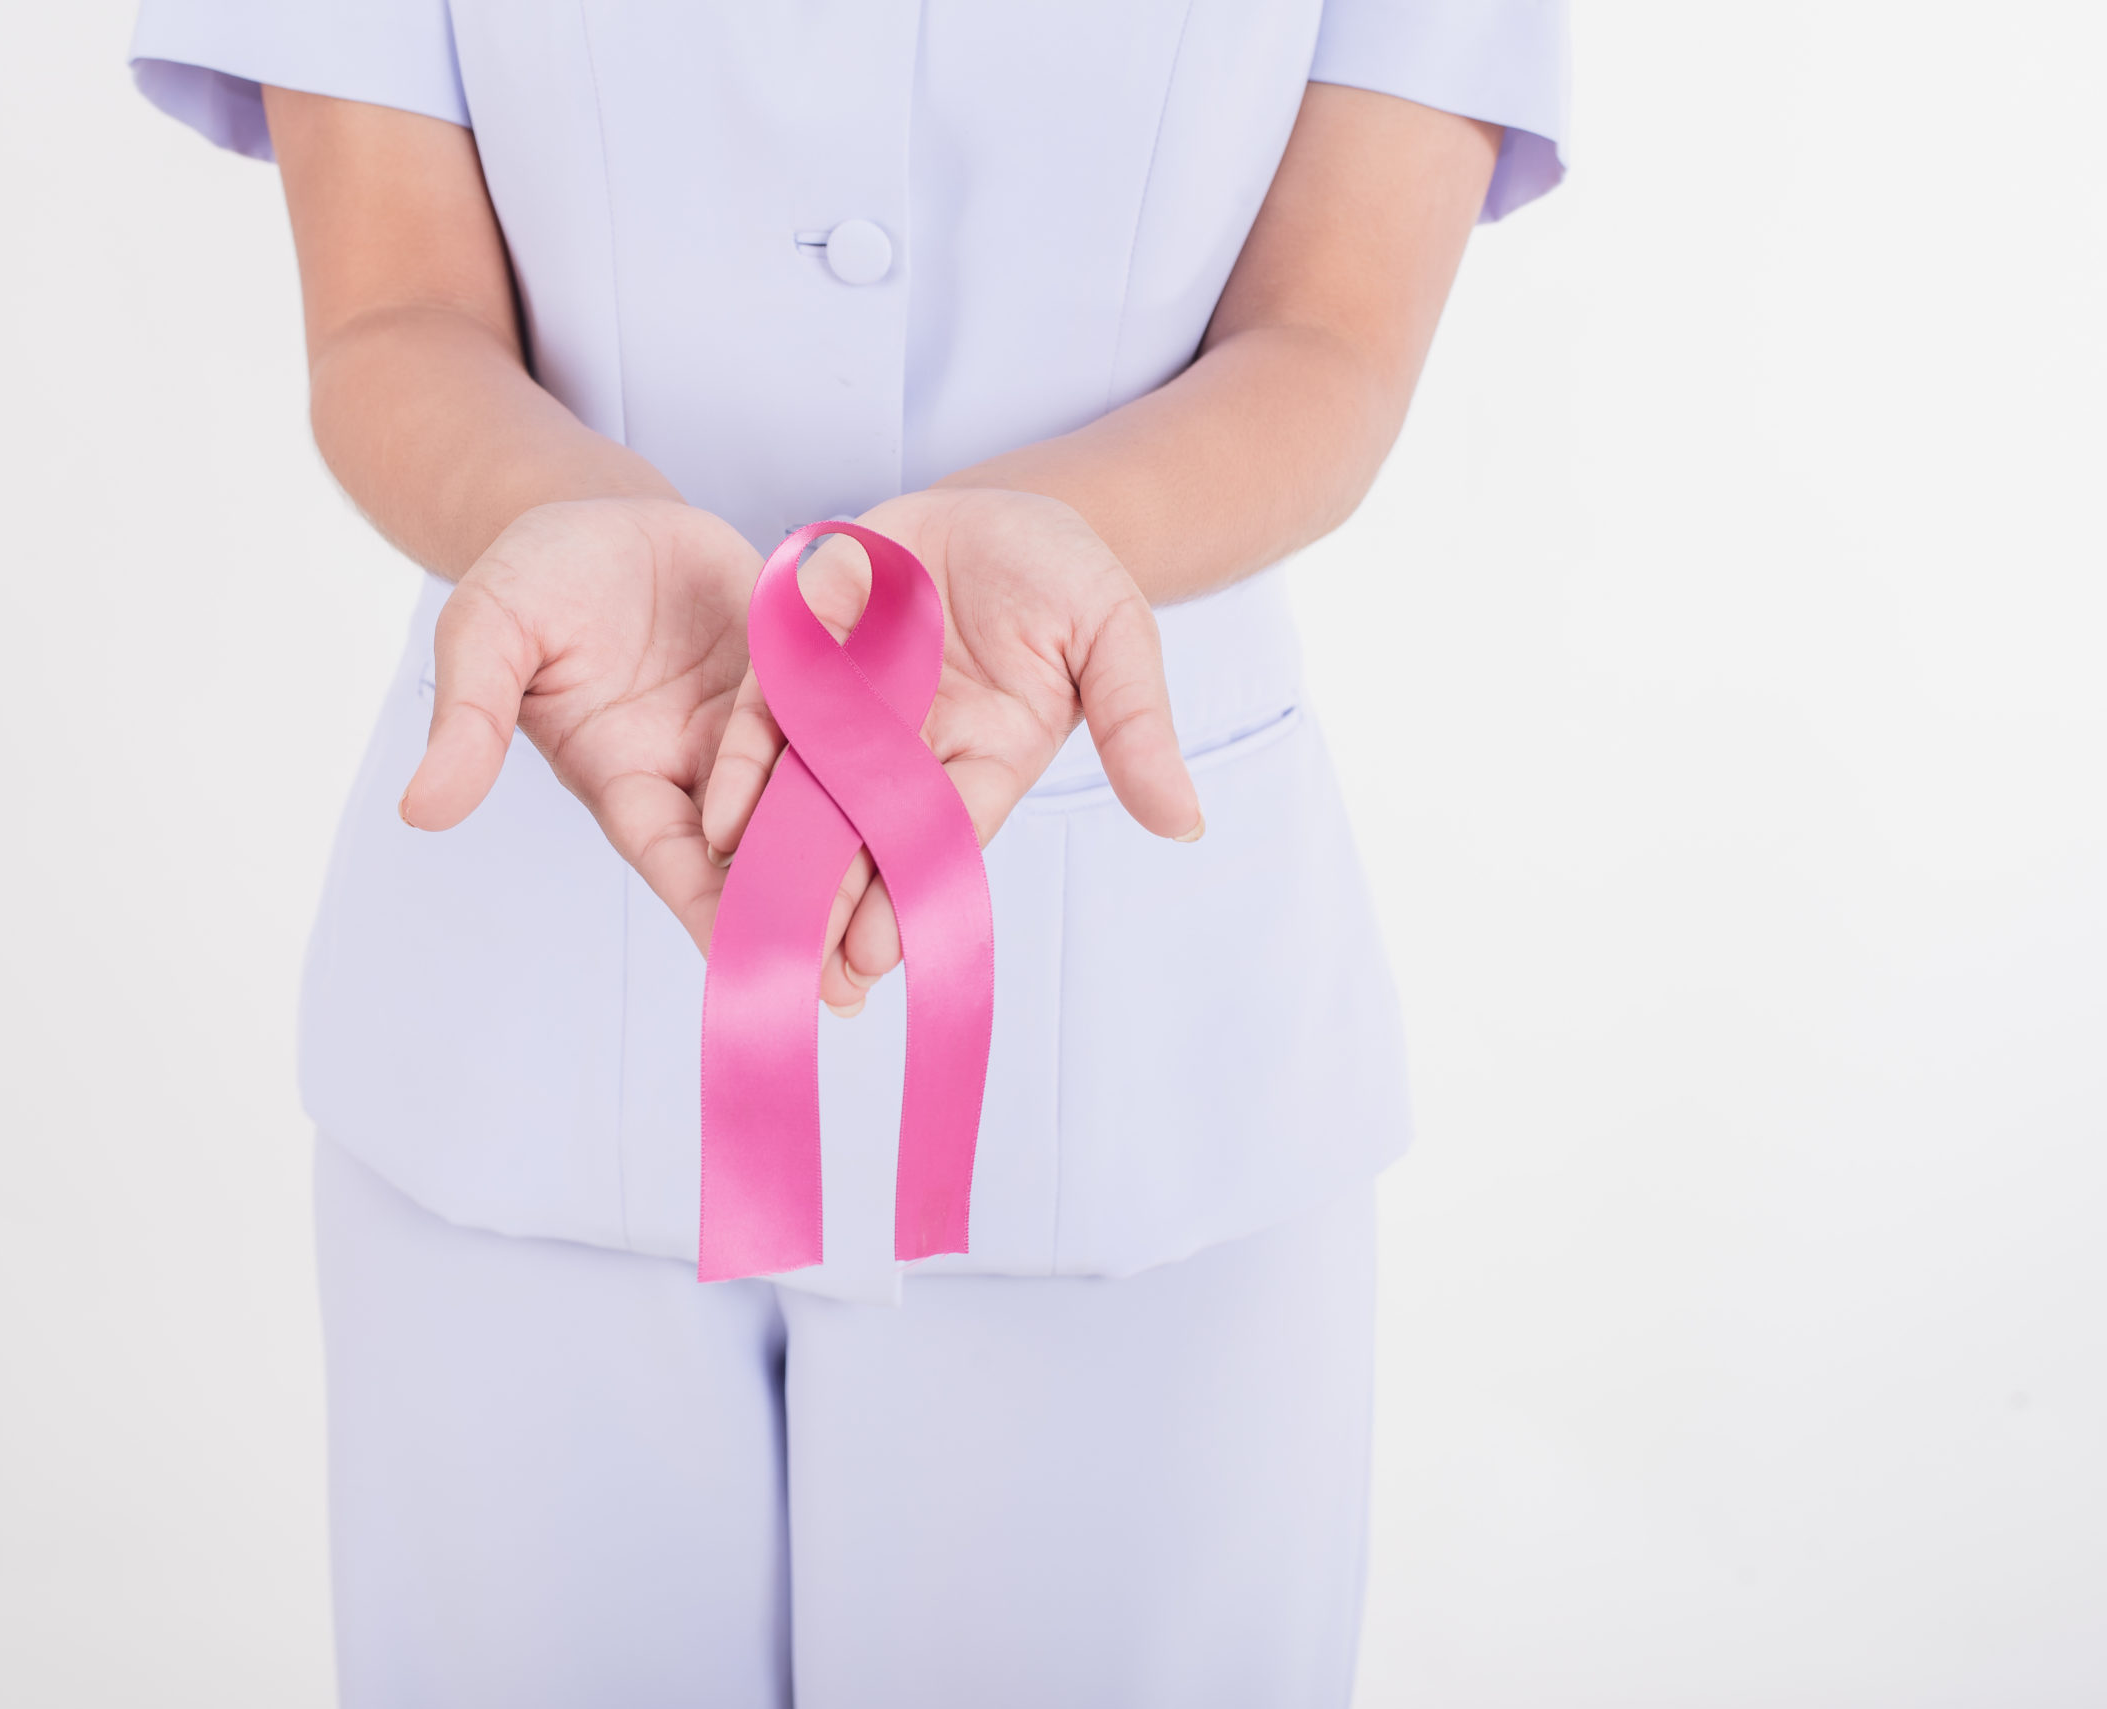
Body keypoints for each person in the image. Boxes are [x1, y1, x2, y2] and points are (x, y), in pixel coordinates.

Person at [128, 1, 1566, 1701]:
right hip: (533, 1003)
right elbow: (393, 313)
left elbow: (1330, 335)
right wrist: (552, 513)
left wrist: (1066, 543)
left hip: (1137, 1054)